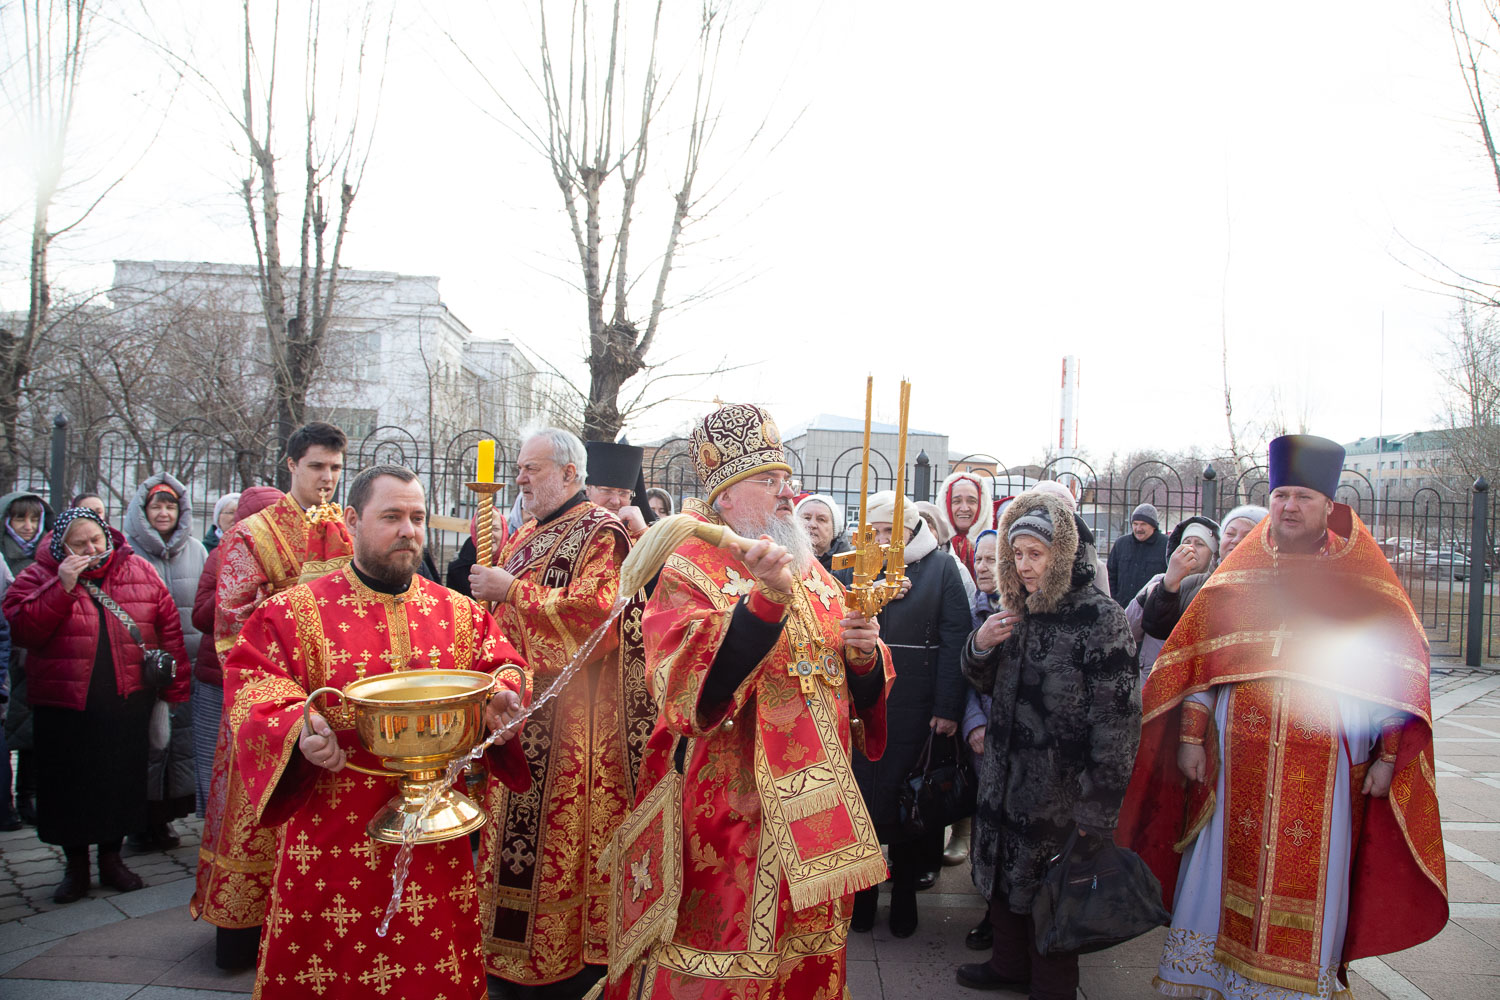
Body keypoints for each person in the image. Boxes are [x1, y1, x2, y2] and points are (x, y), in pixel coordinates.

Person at [1119, 437, 1448, 1000]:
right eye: (1281, 495)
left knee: (1314, 874)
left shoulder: (1363, 576)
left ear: (1328, 504)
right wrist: (1191, 738)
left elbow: (1396, 673)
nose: (1289, 506)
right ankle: (1219, 980)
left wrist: (1389, 756)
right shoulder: (1239, 573)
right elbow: (1200, 663)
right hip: (1236, 764)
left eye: (1302, 497)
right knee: (1221, 868)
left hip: (1325, 770)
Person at [599, 402, 892, 1000]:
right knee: (727, 965)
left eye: (787, 479)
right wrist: (763, 603)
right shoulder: (690, 566)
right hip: (733, 813)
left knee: (805, 963)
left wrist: (864, 656)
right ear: (726, 495)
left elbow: (847, 676)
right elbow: (685, 691)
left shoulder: (812, 570)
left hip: (817, 812)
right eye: (769, 480)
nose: (788, 493)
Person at [223, 465, 532, 1000]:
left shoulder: (458, 612)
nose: (408, 530)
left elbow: (500, 664)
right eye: (391, 517)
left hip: (433, 832)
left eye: (417, 517)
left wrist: (501, 698)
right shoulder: (292, 612)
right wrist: (300, 725)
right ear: (352, 520)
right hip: (334, 831)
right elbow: (254, 686)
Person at [468, 428, 654, 998]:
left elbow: (601, 617)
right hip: (517, 711)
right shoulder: (526, 532)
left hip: (575, 726)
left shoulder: (600, 532)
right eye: (519, 468)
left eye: (531, 468)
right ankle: (507, 955)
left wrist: (512, 591)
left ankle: (565, 962)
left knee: (559, 846)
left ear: (570, 473)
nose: (519, 478)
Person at [955, 490, 1139, 997]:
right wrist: (980, 645)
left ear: (1063, 555)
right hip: (1003, 779)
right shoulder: (1016, 609)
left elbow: (1119, 722)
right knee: (1002, 877)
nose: (1023, 565)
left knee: (1049, 893)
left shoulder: (1100, 618)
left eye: (1035, 554)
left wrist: (1098, 809)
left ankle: (1051, 988)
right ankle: (1008, 965)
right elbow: (983, 681)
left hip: (1060, 791)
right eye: (1016, 554)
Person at [192, 421, 354, 971]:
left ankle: (310, 924)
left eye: (335, 468)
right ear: (291, 466)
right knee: (255, 812)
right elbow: (231, 626)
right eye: (317, 467)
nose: (327, 478)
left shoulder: (345, 529)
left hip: (330, 694)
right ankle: (242, 933)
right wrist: (292, 610)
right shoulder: (251, 534)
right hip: (270, 695)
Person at [4, 506, 190, 903]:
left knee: (119, 783)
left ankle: (112, 860)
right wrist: (62, 586)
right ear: (61, 547)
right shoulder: (38, 575)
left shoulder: (137, 569)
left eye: (96, 540)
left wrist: (174, 690)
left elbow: (168, 627)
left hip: (126, 700)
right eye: (80, 544)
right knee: (69, 787)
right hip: (64, 704)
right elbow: (23, 630)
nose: (91, 549)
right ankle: (76, 867)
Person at [849, 490, 970, 938]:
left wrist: (947, 707)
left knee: (908, 799)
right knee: (862, 798)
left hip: (916, 702)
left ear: (913, 531)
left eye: (892, 532)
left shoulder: (941, 568)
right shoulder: (854, 568)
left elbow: (956, 638)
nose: (883, 540)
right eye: (876, 531)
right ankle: (863, 893)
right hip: (864, 697)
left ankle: (904, 893)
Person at [123, 474, 207, 850]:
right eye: (156, 506)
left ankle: (165, 819)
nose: (163, 513)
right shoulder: (128, 551)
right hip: (141, 665)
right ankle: (137, 821)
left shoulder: (196, 550)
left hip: (186, 662)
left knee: (179, 744)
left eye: (170, 506)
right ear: (142, 512)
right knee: (145, 744)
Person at [189, 488, 281, 819]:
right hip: (218, 676)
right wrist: (235, 596)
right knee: (216, 756)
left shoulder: (288, 556)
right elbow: (200, 616)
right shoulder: (221, 555)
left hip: (270, 676)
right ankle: (214, 823)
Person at [2, 489, 53, 827]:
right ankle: (5, 801)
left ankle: (27, 796)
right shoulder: (3, 556)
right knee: (7, 727)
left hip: (34, 653)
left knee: (31, 728)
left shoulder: (46, 556)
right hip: (6, 654)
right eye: (19, 518)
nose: (27, 525)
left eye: (35, 519)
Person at [959, 528, 1000, 949]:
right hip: (983, 739)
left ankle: (1000, 914)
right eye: (979, 559)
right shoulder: (975, 610)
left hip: (1018, 742)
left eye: (992, 559)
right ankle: (990, 904)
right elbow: (965, 673)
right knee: (984, 824)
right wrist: (973, 723)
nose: (983, 567)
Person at [1126, 515, 1218, 677]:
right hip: (1152, 675)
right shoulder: (1158, 581)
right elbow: (1128, 631)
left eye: (1200, 544)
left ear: (1213, 554)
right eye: (1186, 542)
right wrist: (1152, 594)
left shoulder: (1215, 587)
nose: (1191, 548)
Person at [584, 439, 651, 539]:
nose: (615, 501)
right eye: (607, 491)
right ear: (588, 489)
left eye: (624, 493)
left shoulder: (640, 528)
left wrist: (641, 532)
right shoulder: (571, 526)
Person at [1107, 502, 1167, 606]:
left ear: (1153, 526)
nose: (1138, 529)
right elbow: (1110, 575)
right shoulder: (1121, 544)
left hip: (1152, 608)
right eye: (1135, 524)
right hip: (1122, 607)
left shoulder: (1166, 545)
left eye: (1143, 524)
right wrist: (1114, 601)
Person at [939, 471, 993, 576]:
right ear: (946, 505)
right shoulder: (934, 546)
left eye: (971, 501)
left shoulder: (996, 545)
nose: (964, 508)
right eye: (957, 501)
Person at [795, 492, 844, 572]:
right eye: (806, 518)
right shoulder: (783, 562)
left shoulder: (849, 568)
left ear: (834, 529)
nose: (812, 525)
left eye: (821, 519)